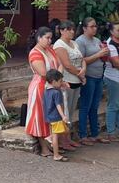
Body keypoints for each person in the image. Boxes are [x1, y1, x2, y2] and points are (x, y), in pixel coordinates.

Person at [27, 26, 63, 156]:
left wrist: (58, 79)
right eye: (47, 38)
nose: (49, 40)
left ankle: (52, 144)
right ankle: (44, 148)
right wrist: (59, 79)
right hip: (40, 88)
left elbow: (60, 64)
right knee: (41, 117)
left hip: (53, 85)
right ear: (39, 38)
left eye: (50, 38)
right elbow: (43, 73)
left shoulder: (50, 50)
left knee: (53, 116)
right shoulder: (35, 53)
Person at [75, 18, 110, 145]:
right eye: (92, 26)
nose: (95, 28)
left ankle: (95, 133)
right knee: (86, 106)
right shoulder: (80, 41)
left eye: (96, 26)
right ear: (84, 28)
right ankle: (83, 135)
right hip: (88, 77)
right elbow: (81, 60)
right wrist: (98, 54)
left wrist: (105, 53)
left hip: (99, 76)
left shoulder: (97, 40)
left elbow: (103, 57)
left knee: (95, 106)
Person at [53, 20, 85, 151]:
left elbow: (82, 59)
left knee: (71, 111)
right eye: (69, 29)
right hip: (67, 81)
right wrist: (80, 74)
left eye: (73, 29)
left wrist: (83, 70)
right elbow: (66, 64)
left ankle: (68, 138)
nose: (72, 31)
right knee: (65, 112)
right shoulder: (59, 45)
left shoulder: (74, 43)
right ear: (61, 30)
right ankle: (63, 141)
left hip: (77, 80)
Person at [44, 69, 70, 162]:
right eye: (60, 81)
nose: (61, 83)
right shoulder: (56, 92)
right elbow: (58, 105)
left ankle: (51, 142)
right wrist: (63, 116)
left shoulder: (46, 90)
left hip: (49, 116)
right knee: (56, 135)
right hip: (56, 117)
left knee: (59, 132)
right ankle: (56, 154)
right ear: (54, 81)